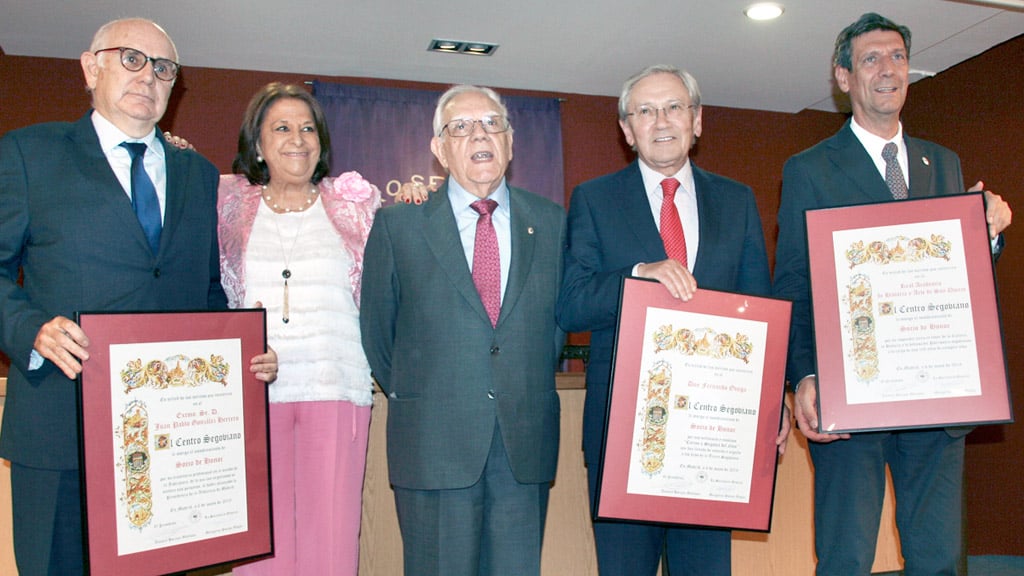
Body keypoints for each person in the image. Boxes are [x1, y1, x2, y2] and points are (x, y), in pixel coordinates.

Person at [0, 18, 278, 576]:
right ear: (90, 66)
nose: (147, 76)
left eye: (163, 68)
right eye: (131, 59)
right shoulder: (29, 153)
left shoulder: (199, 176)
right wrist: (30, 327)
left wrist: (242, 357)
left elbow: (204, 293)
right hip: (59, 426)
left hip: (168, 446)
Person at [772, 13, 1012, 575]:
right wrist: (804, 376)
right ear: (843, 77)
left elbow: (957, 271)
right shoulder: (808, 169)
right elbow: (792, 283)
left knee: (937, 559)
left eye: (898, 56)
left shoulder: (943, 162)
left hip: (936, 402)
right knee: (845, 557)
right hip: (851, 399)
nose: (888, 70)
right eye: (871, 59)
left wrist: (989, 235)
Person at [557, 64, 789, 575]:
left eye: (673, 107)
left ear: (697, 120)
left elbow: (760, 312)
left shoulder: (737, 200)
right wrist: (638, 274)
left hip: (713, 438)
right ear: (626, 129)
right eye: (645, 110)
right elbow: (571, 303)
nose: (660, 120)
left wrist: (773, 403)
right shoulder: (593, 200)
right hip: (623, 440)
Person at [359, 85, 565, 576]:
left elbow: (555, 329)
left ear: (511, 142)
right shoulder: (398, 227)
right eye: (461, 126)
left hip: (524, 445)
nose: (479, 134)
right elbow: (379, 335)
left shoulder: (554, 223)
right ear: (439, 149)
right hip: (433, 446)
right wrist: (431, 393)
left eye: (492, 123)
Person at [218, 83, 385, 575]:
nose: (298, 139)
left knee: (329, 545)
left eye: (308, 128)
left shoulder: (355, 205)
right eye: (282, 128)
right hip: (253, 395)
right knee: (257, 550)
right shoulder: (229, 207)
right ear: (258, 144)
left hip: (335, 389)